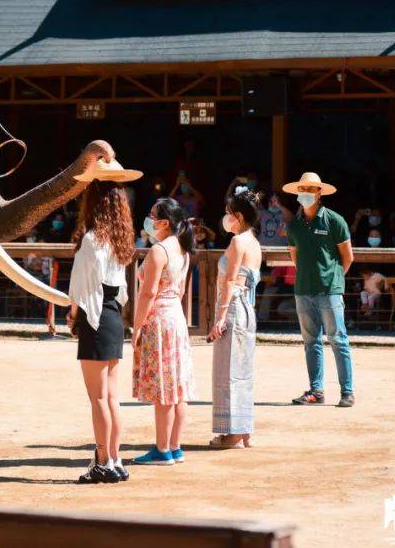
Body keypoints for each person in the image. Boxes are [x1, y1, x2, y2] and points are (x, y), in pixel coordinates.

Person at [67, 159, 141, 484]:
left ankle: (102, 460)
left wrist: (72, 314)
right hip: (112, 315)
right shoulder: (118, 239)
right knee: (112, 397)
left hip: (95, 317)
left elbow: (81, 288)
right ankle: (115, 458)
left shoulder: (92, 240)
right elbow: (119, 288)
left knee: (98, 398)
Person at [132, 198, 195, 466]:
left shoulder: (159, 250)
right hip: (176, 317)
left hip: (159, 318)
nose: (149, 219)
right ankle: (175, 446)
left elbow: (148, 293)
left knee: (163, 389)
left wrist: (136, 326)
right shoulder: (183, 249)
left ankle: (162, 449)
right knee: (177, 386)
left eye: (152, 215)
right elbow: (179, 291)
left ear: (164, 222)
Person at [283, 172, 355, 408]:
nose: (305, 193)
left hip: (329, 291)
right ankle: (316, 390)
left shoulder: (335, 221)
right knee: (310, 341)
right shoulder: (294, 225)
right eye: (302, 189)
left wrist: (333, 280)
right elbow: (295, 257)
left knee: (338, 340)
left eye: (310, 189)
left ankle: (347, 392)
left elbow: (348, 257)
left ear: (319, 192)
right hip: (303, 290)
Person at [208, 190, 261, 450]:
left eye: (230, 213)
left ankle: (233, 433)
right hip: (247, 308)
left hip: (234, 307)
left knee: (229, 370)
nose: (226, 217)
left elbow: (230, 280)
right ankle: (244, 429)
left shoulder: (239, 242)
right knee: (242, 371)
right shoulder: (254, 242)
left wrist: (220, 316)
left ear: (238, 216)